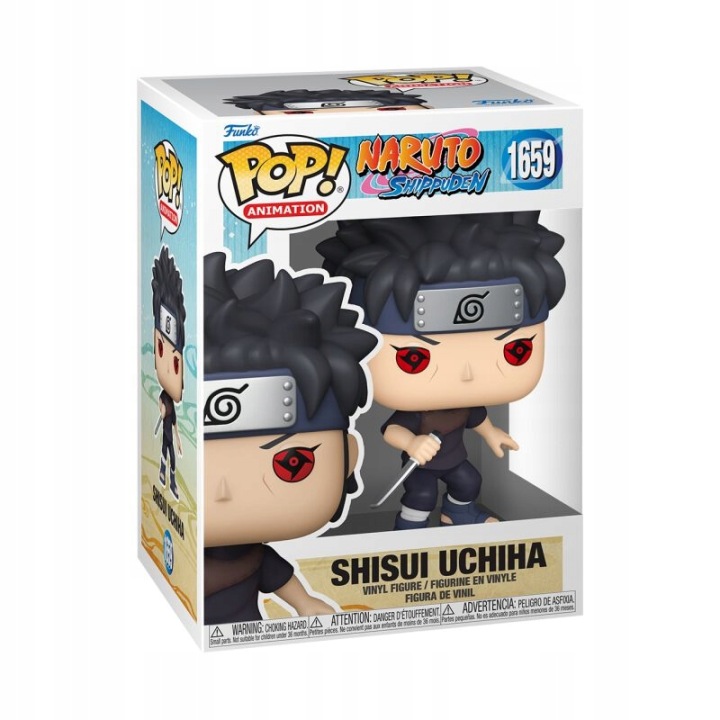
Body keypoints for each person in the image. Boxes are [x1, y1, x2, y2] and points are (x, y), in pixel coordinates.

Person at [318, 212, 566, 529]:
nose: (467, 374)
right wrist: (412, 444)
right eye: (414, 358)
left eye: (516, 350)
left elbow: (476, 418)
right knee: (420, 496)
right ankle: (410, 527)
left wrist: (492, 433)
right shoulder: (418, 412)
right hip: (421, 465)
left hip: (455, 461)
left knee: (469, 482)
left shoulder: (464, 405)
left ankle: (457, 513)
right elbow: (391, 431)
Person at [203, 253, 377, 623]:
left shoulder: (253, 557)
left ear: (349, 459)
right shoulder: (185, 552)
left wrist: (304, 602)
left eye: (291, 464)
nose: (222, 491)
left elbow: (279, 578)